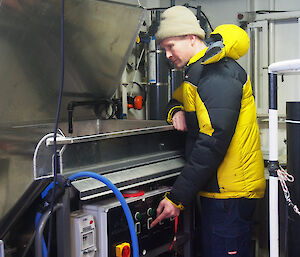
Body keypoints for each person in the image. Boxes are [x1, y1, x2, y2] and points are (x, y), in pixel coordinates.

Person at [150, 6, 266, 257]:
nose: (167, 55)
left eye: (171, 46)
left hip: (230, 193)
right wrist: (176, 111)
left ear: (192, 38)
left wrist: (176, 198)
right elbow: (175, 99)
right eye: (164, 49)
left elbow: (212, 142)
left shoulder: (218, 74)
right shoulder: (197, 72)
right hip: (218, 189)